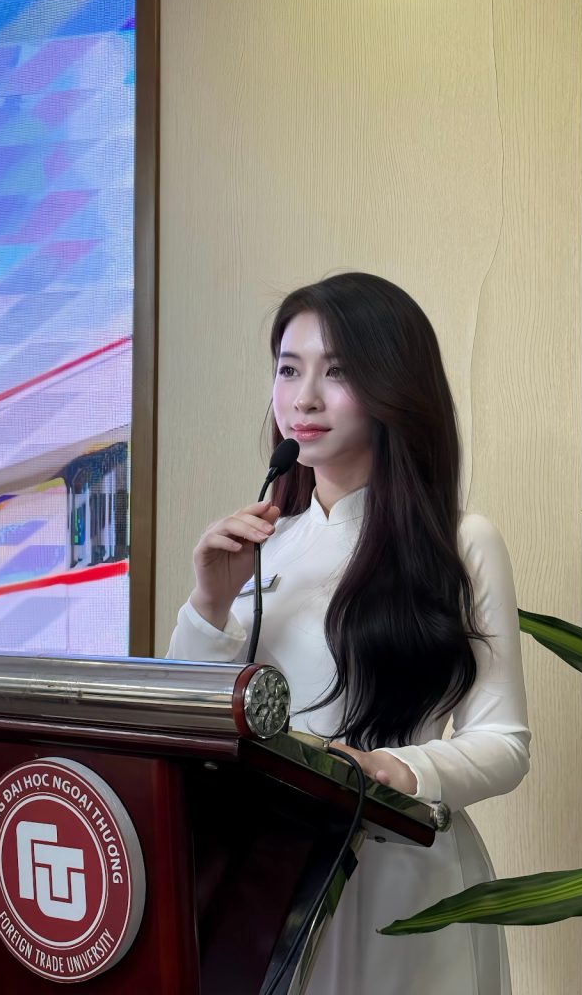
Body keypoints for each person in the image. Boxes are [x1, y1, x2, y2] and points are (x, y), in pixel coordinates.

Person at [166, 272, 530, 995]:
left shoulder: (461, 542)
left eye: (336, 372)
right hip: (268, 882)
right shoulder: (264, 546)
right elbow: (193, 723)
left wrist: (389, 770)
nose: (303, 398)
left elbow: (504, 744)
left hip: (405, 877)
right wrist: (208, 601)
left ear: (395, 386)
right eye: (288, 370)